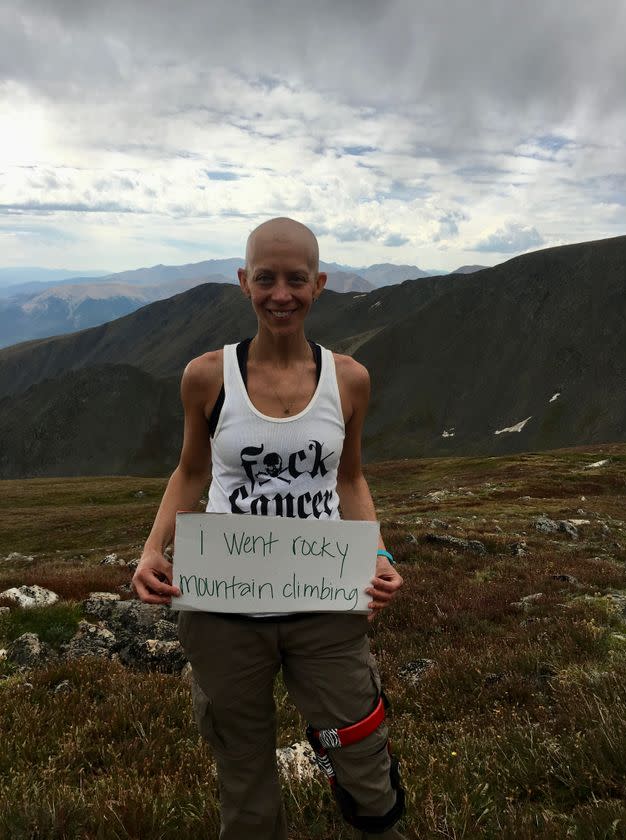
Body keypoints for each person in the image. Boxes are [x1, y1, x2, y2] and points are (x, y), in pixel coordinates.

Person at [132, 217, 406, 839]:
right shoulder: (206, 376)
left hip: (323, 599)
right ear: (243, 282)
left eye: (296, 279)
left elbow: (350, 479)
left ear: (320, 284)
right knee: (244, 769)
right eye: (265, 278)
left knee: (359, 750)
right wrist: (153, 548)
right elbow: (190, 472)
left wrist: (380, 552)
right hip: (225, 607)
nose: (280, 293)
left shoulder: (348, 379)